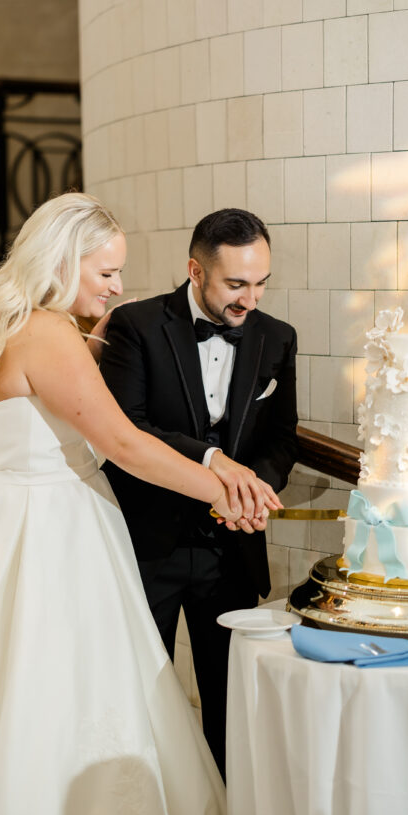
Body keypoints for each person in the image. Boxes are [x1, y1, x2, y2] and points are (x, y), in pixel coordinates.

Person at [0, 192, 277, 815]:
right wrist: (223, 491)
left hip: (27, 522)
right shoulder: (47, 335)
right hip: (44, 540)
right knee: (54, 694)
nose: (119, 287)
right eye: (106, 272)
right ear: (63, 262)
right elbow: (123, 443)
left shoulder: (30, 327)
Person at [100, 208, 298, 777]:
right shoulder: (135, 325)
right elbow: (128, 429)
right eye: (236, 284)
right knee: (144, 697)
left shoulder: (276, 337)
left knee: (230, 705)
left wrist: (255, 490)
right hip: (147, 544)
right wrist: (217, 468)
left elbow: (281, 438)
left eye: (261, 284)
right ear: (195, 270)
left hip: (229, 550)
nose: (250, 301)